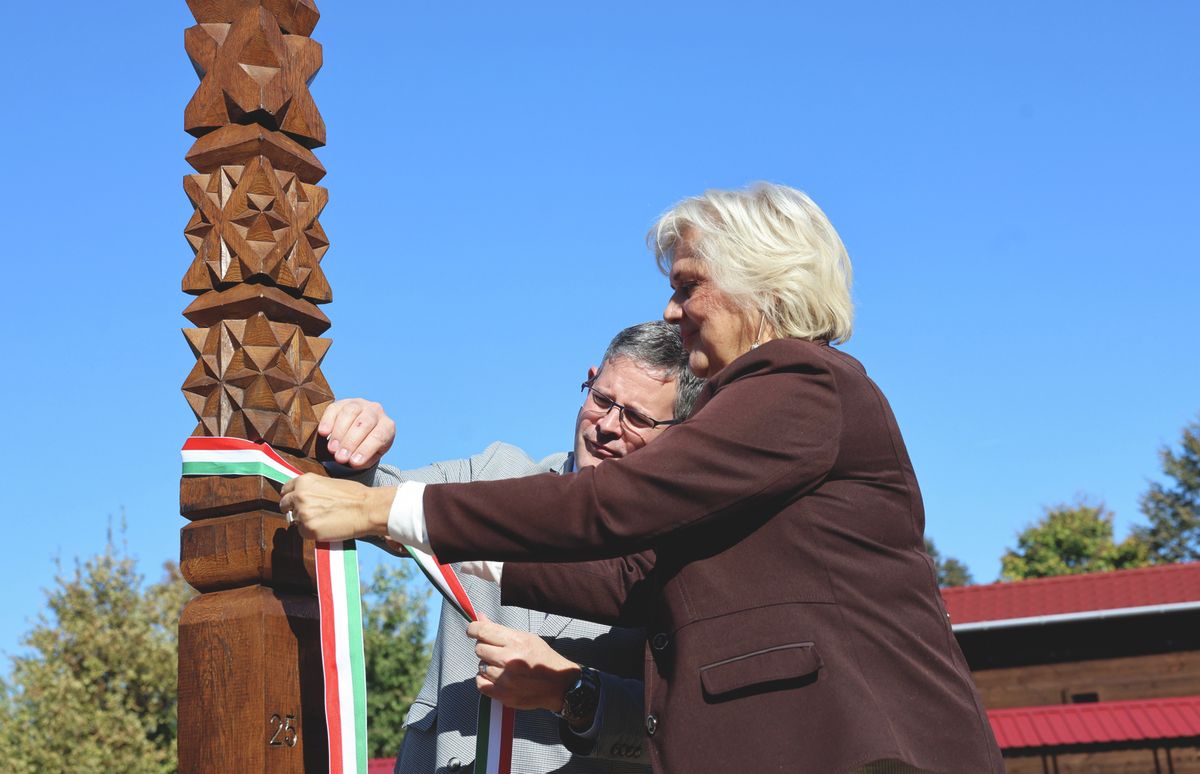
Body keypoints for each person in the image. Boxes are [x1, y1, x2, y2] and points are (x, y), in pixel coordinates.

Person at [284, 184, 1005, 773]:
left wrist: (381, 513)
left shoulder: (801, 383)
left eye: (688, 286)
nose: (671, 310)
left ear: (760, 283)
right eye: (601, 400)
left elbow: (612, 506)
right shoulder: (761, 416)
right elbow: (630, 578)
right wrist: (419, 523)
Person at [321, 322, 703, 773]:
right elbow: (378, 501)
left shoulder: (684, 556)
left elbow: (684, 723)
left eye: (637, 418)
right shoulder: (498, 471)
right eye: (601, 399)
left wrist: (570, 693)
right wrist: (348, 440)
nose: (607, 427)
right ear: (590, 377)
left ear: (682, 434)